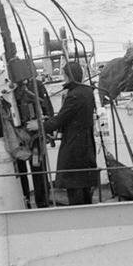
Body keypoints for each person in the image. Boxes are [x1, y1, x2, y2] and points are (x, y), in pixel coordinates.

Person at [40, 60, 99, 206]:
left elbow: (60, 120)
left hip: (74, 145)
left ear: (68, 76)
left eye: (64, 75)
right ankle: (87, 210)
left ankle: (77, 213)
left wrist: (40, 126)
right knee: (84, 182)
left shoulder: (74, 95)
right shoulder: (87, 92)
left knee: (74, 183)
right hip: (86, 143)